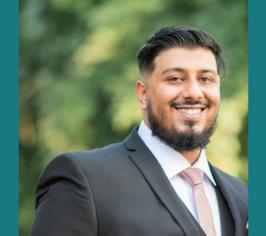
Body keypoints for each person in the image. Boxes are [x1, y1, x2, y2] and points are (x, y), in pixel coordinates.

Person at [30, 26, 248, 236]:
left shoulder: (242, 196)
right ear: (143, 94)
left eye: (205, 79)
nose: (193, 92)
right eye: (175, 79)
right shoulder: (84, 179)